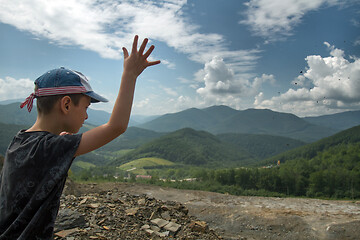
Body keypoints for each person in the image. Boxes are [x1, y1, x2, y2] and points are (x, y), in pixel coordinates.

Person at [0, 35, 160, 239]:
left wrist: (60, 142)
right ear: (66, 105)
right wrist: (130, 74)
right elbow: (116, 126)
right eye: (85, 107)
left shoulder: (19, 141)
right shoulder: (51, 148)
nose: (86, 115)